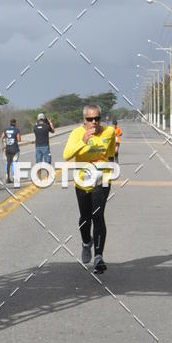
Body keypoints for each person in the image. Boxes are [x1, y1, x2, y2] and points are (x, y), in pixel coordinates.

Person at [63, 104, 116, 274]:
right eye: (90, 119)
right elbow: (66, 155)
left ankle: (98, 257)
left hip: (102, 179)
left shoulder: (109, 132)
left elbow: (110, 153)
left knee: (98, 215)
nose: (94, 122)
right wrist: (83, 141)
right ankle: (86, 242)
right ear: (84, 120)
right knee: (85, 217)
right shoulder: (77, 133)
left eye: (97, 118)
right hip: (82, 180)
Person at [1, 118, 21, 184]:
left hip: (8, 149)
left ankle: (7, 178)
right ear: (15, 123)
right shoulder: (16, 130)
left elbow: (1, 137)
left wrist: (3, 146)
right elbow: (19, 140)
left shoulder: (6, 130)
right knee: (14, 163)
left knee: (8, 163)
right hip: (15, 149)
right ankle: (14, 178)